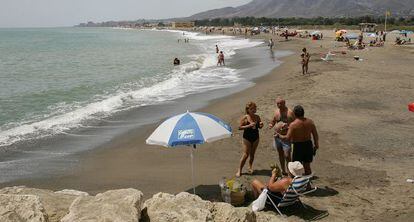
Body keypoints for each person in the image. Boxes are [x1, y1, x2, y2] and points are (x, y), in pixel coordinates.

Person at [276, 105, 319, 175]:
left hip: (298, 146)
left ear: (294, 114)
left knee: (296, 167)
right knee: (307, 166)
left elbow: (287, 138)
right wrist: (316, 145)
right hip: (308, 145)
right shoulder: (310, 122)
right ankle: (308, 184)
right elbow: (315, 135)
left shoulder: (293, 125)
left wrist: (279, 135)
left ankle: (298, 184)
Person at [269, 98, 295, 175]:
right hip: (277, 137)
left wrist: (288, 126)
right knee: (280, 154)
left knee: (287, 155)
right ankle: (283, 170)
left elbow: (295, 124)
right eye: (277, 104)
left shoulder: (290, 113)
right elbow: (273, 120)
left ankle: (290, 172)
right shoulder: (276, 111)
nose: (279, 105)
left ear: (284, 103)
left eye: (280, 103)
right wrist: (271, 125)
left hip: (286, 137)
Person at [237, 102, 264, 177]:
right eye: (251, 109)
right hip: (247, 138)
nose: (253, 110)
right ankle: (239, 170)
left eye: (254, 108)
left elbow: (259, 126)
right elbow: (239, 127)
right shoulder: (245, 117)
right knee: (246, 154)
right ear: (248, 110)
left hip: (256, 137)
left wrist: (261, 124)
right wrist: (249, 125)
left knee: (252, 154)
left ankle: (250, 167)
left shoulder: (257, 117)